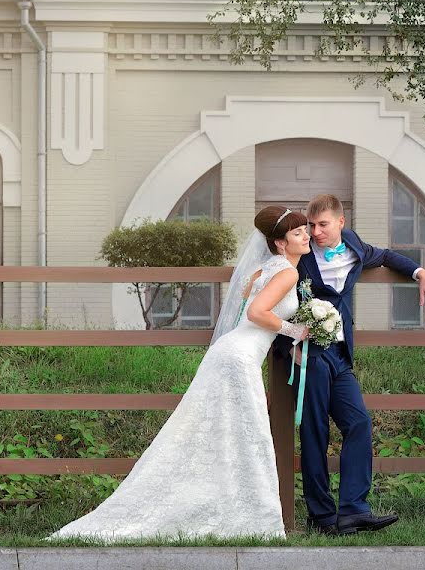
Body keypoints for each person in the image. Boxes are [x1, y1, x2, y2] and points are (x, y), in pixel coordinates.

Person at [47, 205, 312, 542]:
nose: (306, 236)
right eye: (298, 232)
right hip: (240, 358)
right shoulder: (287, 273)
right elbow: (257, 312)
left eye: (304, 230)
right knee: (245, 435)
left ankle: (224, 505)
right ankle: (247, 516)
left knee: (214, 434)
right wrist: (295, 331)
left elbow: (246, 303)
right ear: (279, 242)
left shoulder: (263, 269)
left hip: (229, 351)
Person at [272, 194, 425, 536]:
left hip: (341, 353)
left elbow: (387, 256)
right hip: (309, 353)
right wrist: (288, 348)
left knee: (359, 423)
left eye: (322, 225)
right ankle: (321, 516)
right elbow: (272, 301)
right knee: (314, 432)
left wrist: (421, 272)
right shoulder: (297, 255)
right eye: (311, 226)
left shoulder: (354, 246)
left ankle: (353, 510)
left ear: (340, 223)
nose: (315, 232)